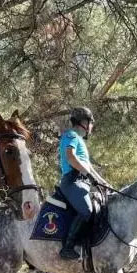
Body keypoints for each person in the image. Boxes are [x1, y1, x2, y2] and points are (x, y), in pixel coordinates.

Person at [58, 106, 108, 260]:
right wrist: (88, 175)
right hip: (72, 180)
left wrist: (103, 183)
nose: (91, 126)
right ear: (83, 122)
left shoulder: (79, 141)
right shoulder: (71, 135)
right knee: (87, 210)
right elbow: (71, 157)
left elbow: (89, 168)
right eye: (91, 122)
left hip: (82, 181)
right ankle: (67, 248)